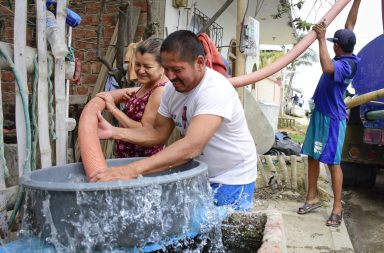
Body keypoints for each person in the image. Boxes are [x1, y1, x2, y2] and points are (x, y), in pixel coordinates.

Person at [91, 30, 258, 211]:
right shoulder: (172, 90)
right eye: (166, 69)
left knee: (226, 233)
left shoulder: (214, 90)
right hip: (201, 172)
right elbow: (157, 133)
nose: (170, 77)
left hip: (233, 177)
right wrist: (114, 132)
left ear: (200, 63)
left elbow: (192, 146)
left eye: (177, 70)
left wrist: (128, 171)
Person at [297, 0, 361, 227]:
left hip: (333, 120)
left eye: (334, 42)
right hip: (320, 114)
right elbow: (350, 23)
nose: (333, 44)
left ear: (338, 47)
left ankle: (337, 207)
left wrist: (322, 38)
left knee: (333, 164)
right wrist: (357, 1)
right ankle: (312, 197)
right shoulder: (345, 51)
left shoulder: (347, 65)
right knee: (313, 157)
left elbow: (326, 68)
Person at [96, 38, 169, 158]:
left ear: (163, 66)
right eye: (137, 64)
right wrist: (133, 100)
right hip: (129, 156)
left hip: (143, 162)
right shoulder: (148, 84)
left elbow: (144, 130)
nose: (140, 70)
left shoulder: (159, 91)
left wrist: (113, 109)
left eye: (147, 66)